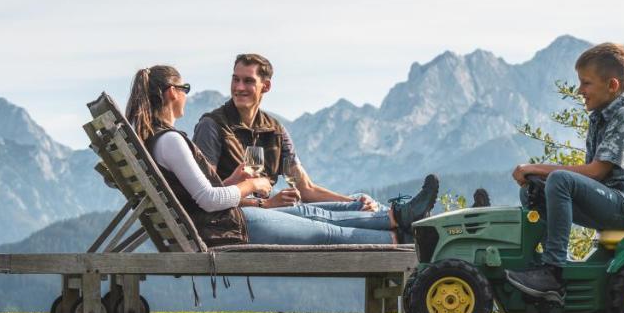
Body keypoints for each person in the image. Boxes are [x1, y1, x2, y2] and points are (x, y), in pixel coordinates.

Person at [124, 65, 436, 247]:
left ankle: (400, 221)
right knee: (325, 230)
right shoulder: (171, 142)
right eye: (184, 87)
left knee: (316, 216)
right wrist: (249, 187)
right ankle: (404, 230)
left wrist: (234, 180)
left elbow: (199, 194)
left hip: (225, 221)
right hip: (226, 226)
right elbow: (207, 200)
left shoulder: (160, 141)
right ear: (170, 93)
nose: (186, 95)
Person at [503, 43, 624, 303]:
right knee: (535, 189)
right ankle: (536, 262)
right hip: (610, 200)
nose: (580, 91)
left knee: (559, 179)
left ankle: (553, 272)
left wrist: (534, 167)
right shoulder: (601, 116)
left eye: (586, 83)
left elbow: (596, 172)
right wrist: (536, 177)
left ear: (612, 86)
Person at [193, 53, 399, 225]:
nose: (239, 87)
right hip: (238, 218)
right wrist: (268, 202)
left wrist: (352, 202)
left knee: (361, 199)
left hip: (270, 211)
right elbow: (207, 196)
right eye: (235, 79)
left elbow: (305, 188)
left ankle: (399, 215)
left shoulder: (275, 130)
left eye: (248, 81)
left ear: (266, 86)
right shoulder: (212, 126)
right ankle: (395, 218)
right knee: (315, 215)